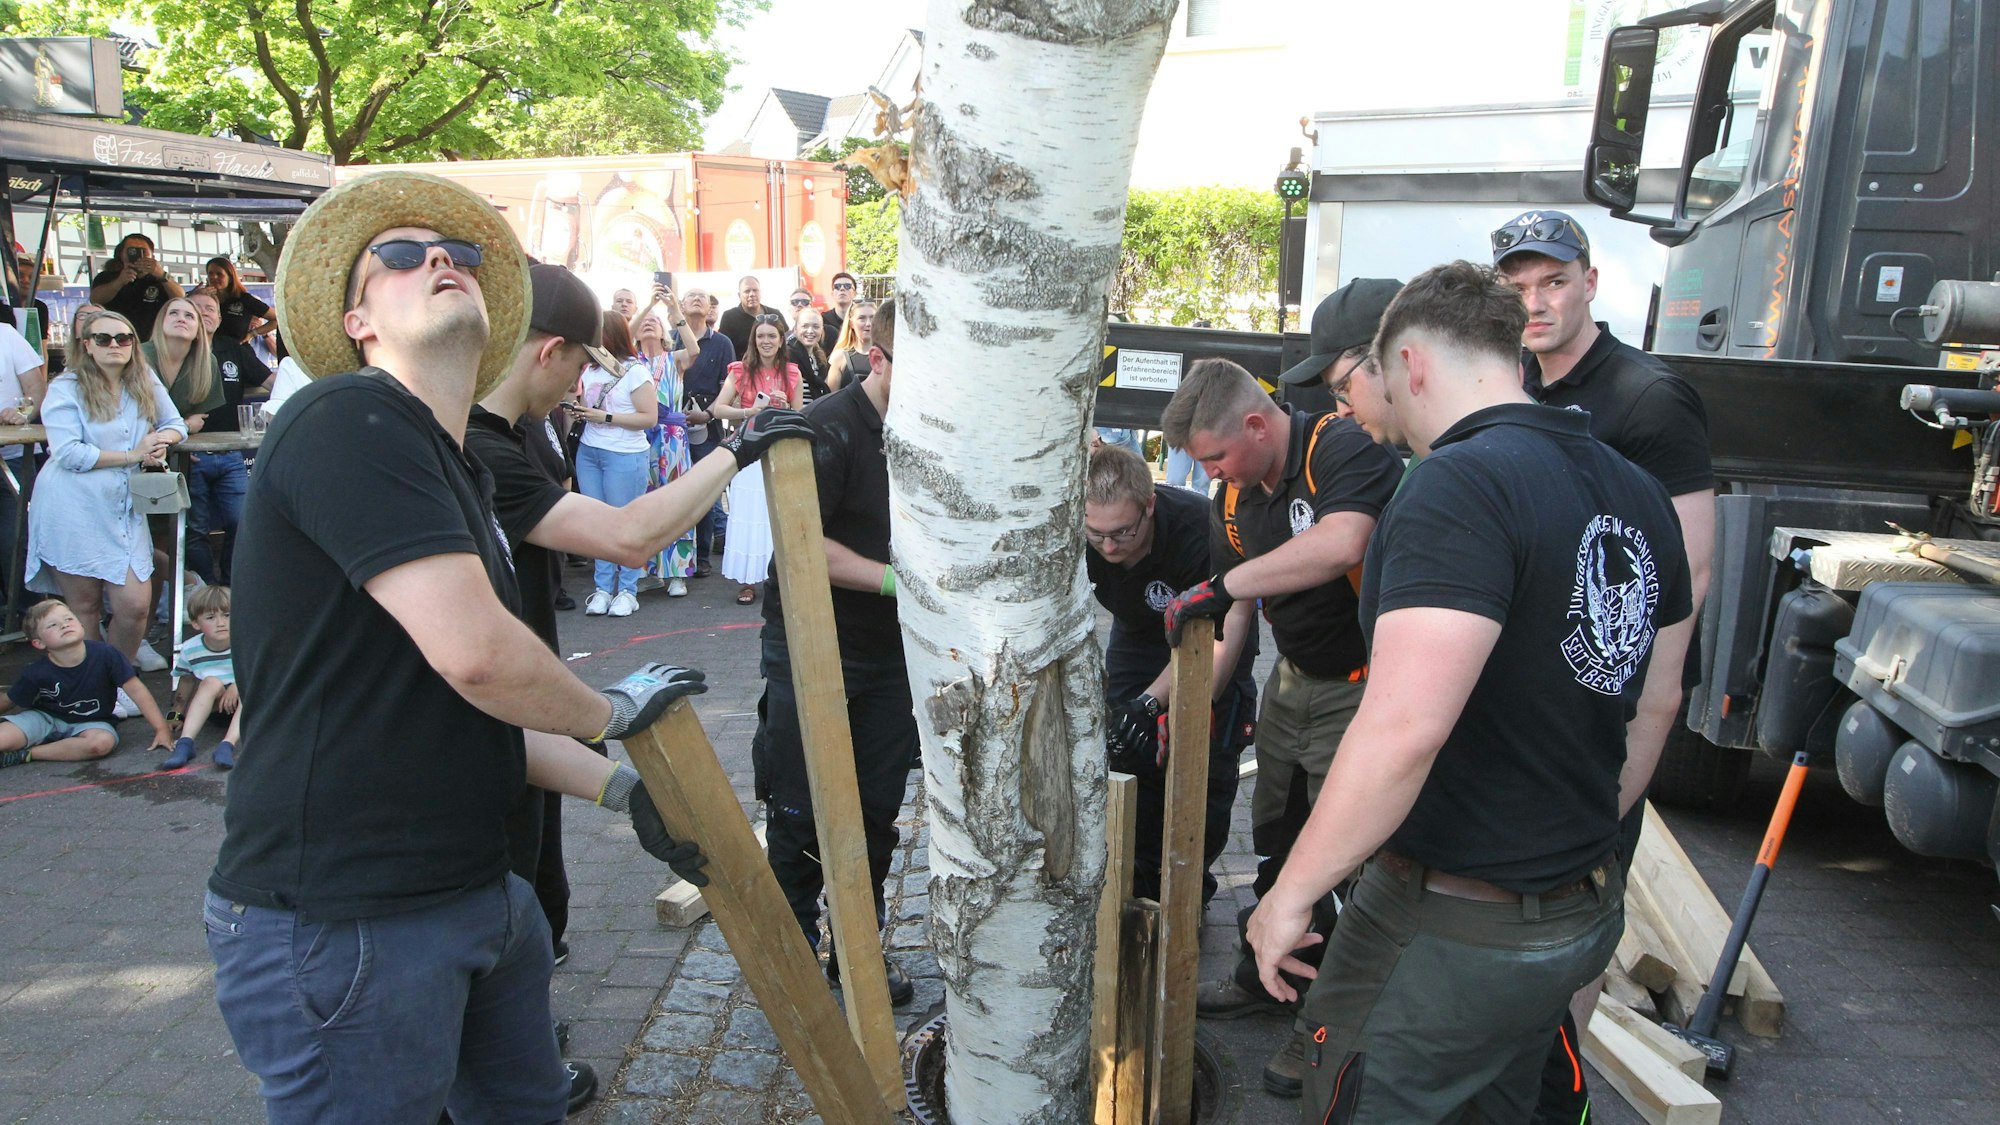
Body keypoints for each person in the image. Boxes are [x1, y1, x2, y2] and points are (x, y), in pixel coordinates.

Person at [204, 170, 711, 1123]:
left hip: (477, 893)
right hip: (348, 916)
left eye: (459, 254)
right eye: (399, 256)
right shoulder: (347, 416)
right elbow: (478, 655)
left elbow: (466, 701)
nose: (439, 258)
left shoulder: (461, 469)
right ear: (356, 321)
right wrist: (612, 714)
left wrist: (622, 788)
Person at [1245, 260, 1696, 1124]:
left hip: (1451, 925)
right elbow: (1658, 700)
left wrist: (1290, 893)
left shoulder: (1456, 484)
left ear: (1412, 363)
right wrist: (1571, 843)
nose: (1366, 410)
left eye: (1368, 383)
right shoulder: (1637, 489)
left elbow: (1404, 727)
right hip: (1578, 909)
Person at [462, 261, 810, 1099]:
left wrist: (615, 782)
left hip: (521, 726)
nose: (582, 385)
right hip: (489, 733)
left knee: (536, 895)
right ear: (548, 351)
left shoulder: (515, 435)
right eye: (582, 366)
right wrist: (734, 453)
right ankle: (504, 1060)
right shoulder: (478, 447)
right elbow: (624, 536)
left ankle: (518, 1043)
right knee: (499, 906)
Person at [1490, 210, 1719, 1124]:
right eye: (1517, 288)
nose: (1536, 303)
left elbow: (1688, 572)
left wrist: (1644, 717)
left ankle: (1561, 1094)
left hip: (1603, 700)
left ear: (1590, 281)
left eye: (1553, 282)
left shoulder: (1647, 398)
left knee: (1580, 917)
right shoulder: (1510, 384)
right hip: (1524, 696)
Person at [1159, 354, 1401, 1097]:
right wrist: (1182, 703)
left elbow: (1343, 543)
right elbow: (1232, 611)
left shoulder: (1338, 448)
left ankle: (1326, 1028)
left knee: (1348, 861)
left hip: (1367, 685)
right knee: (1278, 836)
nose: (1211, 474)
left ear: (1257, 425)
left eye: (1216, 457)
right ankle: (1269, 977)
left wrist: (1222, 584)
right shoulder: (1234, 498)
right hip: (1293, 682)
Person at [753, 297, 917, 1004]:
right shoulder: (829, 426)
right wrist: (896, 582)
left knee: (876, 810)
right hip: (813, 645)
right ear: (876, 358)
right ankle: (792, 962)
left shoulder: (931, 431)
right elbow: (802, 543)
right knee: (798, 806)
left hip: (891, 654)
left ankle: (857, 950)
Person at [1084, 443, 1258, 904]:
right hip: (1138, 638)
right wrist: (1134, 709)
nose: (1108, 546)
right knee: (1126, 749)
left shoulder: (1200, 531)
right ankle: (1135, 884)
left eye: (1122, 532)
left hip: (1212, 639)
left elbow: (1224, 637)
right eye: (1096, 534)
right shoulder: (1080, 533)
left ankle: (1186, 889)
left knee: (1202, 768)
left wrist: (1153, 703)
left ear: (1150, 505)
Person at [24, 309, 186, 715]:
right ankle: (93, 690)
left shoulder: (143, 379)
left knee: (134, 605)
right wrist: (134, 454)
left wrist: (162, 440)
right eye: (103, 338)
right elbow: (69, 453)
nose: (115, 345)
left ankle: (114, 681)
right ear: (86, 345)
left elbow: (176, 423)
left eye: (123, 337)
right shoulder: (66, 387)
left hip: (123, 506)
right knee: (85, 608)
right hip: (72, 504)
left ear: (133, 344)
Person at [0, 598, 170, 768]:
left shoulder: (106, 654)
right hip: (45, 718)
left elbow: (137, 691)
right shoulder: (36, 671)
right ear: (38, 643)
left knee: (101, 744)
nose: (64, 625)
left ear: (81, 625)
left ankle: (24, 754)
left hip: (93, 722)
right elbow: (10, 699)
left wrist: (161, 728)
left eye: (69, 618)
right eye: (52, 625)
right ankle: (45, 747)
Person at [573, 312, 658, 617]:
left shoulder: (635, 371)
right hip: (590, 450)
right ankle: (602, 589)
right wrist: (579, 409)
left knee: (624, 522)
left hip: (624, 453)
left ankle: (628, 590)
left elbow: (649, 418)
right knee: (598, 523)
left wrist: (605, 417)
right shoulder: (590, 368)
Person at [713, 317, 801, 605]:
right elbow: (718, 409)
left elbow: (800, 417)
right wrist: (749, 412)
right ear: (754, 340)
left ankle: (779, 579)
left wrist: (785, 408)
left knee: (777, 515)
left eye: (771, 336)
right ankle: (748, 581)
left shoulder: (792, 373)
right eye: (760, 336)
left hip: (779, 450)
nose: (766, 341)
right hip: (748, 451)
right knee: (749, 513)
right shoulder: (739, 371)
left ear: (781, 340)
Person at [184, 291, 269, 585]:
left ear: (220, 318)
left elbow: (272, 381)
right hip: (188, 456)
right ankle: (206, 591)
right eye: (195, 308)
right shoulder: (174, 352)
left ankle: (231, 590)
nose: (203, 313)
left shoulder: (233, 348)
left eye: (210, 309)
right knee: (195, 530)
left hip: (231, 454)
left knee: (242, 521)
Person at [666, 287, 734, 578]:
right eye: (691, 296)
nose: (696, 299)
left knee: (705, 492)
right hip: (669, 427)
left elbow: (728, 387)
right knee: (670, 492)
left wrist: (707, 414)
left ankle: (702, 556)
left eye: (702, 297)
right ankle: (670, 559)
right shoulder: (668, 339)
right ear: (681, 305)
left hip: (707, 425)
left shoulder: (722, 343)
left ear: (710, 308)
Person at [634, 310, 697, 596]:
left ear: (664, 332)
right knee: (643, 502)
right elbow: (615, 340)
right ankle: (647, 571)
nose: (648, 322)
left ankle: (677, 573)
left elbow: (694, 349)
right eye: (643, 320)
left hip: (672, 437)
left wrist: (674, 309)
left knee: (677, 501)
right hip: (639, 436)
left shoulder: (674, 359)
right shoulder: (630, 363)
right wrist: (647, 304)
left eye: (654, 320)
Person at [164, 583, 239, 770]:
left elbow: (261, 675)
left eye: (227, 615)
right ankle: (185, 743)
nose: (221, 623)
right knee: (210, 682)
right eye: (211, 617)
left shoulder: (246, 643)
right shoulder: (191, 649)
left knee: (248, 686)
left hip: (248, 708)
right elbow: (186, 681)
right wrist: (175, 714)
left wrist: (239, 685)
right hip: (215, 708)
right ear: (195, 623)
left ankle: (227, 745)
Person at [0, 318, 48, 599]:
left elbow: (36, 387)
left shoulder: (5, 334)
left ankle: (27, 613)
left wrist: (22, 414)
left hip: (14, 455)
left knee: (17, 539)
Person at [89, 234, 184, 338]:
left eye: (143, 251)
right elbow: (95, 299)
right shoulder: (107, 276)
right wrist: (119, 281)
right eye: (132, 251)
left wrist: (162, 275)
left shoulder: (160, 279)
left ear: (152, 255)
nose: (137, 255)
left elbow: (180, 298)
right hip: (116, 338)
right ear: (121, 254)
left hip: (151, 339)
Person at [203, 257, 276, 343]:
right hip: (208, 349)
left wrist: (253, 333)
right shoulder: (202, 299)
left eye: (219, 274)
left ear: (230, 277)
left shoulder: (244, 299)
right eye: (210, 273)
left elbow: (276, 319)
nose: (214, 277)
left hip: (236, 349)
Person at [718, 275, 786, 362]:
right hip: (742, 367)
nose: (752, 294)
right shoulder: (729, 317)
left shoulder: (775, 315)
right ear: (739, 295)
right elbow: (724, 349)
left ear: (760, 293)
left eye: (755, 290)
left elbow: (785, 343)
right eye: (747, 291)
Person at [827, 299, 876, 390]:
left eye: (872, 318)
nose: (868, 323)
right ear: (851, 323)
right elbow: (831, 395)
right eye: (862, 318)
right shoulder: (840, 357)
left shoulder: (886, 357)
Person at [787, 307, 833, 403]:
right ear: (795, 329)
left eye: (816, 327)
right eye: (805, 326)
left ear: (822, 330)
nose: (810, 331)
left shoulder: (820, 360)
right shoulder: (787, 356)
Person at [821, 270, 859, 346]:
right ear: (832, 293)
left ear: (855, 293)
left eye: (847, 286)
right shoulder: (822, 320)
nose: (842, 289)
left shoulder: (862, 319)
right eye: (837, 286)